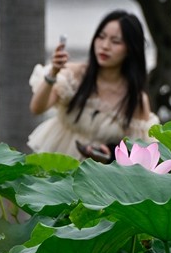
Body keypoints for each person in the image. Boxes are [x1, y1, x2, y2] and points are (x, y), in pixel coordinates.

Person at [28, 9, 160, 161]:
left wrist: (110, 153)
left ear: (131, 49)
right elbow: (37, 108)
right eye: (101, 37)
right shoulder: (73, 75)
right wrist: (53, 73)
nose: (105, 46)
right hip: (57, 165)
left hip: (100, 177)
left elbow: (141, 153)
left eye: (115, 41)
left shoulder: (136, 100)